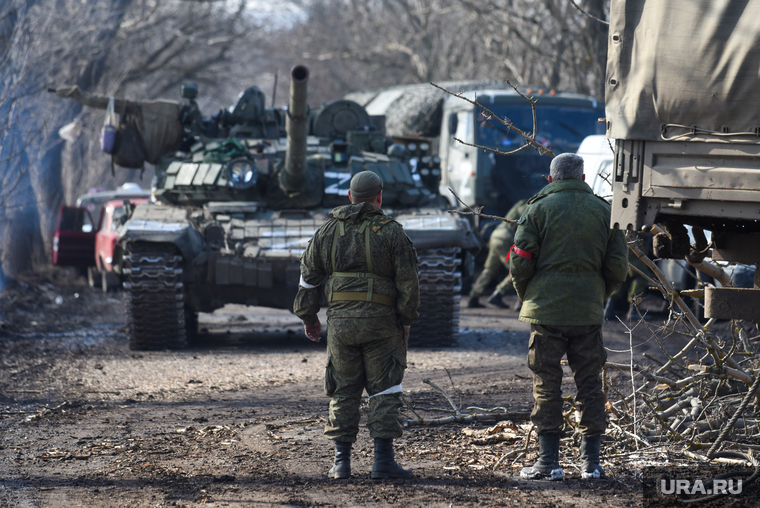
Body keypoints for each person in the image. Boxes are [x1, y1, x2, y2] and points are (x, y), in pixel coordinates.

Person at [508, 153, 628, 481]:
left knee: (547, 380)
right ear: (584, 177)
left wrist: (529, 296)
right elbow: (618, 268)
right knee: (590, 381)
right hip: (587, 312)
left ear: (551, 179)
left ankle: (548, 463)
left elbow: (520, 263)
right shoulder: (606, 212)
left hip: (545, 311)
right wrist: (597, 297)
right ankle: (591, 464)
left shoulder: (536, 209)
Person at [294, 171, 420, 480]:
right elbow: (409, 283)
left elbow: (308, 279)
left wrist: (309, 317)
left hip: (341, 325)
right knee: (386, 388)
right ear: (379, 197)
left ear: (349, 197)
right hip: (382, 324)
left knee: (343, 389)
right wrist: (405, 320)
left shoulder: (327, 232)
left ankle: (341, 462)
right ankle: (383, 462)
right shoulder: (392, 232)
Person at [467, 199, 528, 309]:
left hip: (497, 234)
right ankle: (498, 294)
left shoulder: (521, 202)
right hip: (505, 238)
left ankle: (474, 297)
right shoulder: (527, 205)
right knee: (517, 271)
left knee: (489, 270)